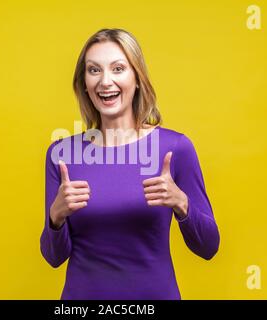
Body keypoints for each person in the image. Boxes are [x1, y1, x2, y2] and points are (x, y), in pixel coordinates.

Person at [40, 28, 220, 300]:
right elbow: (54, 257)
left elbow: (208, 247)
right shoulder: (62, 154)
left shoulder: (175, 148)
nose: (105, 81)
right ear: (85, 84)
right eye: (94, 70)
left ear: (137, 79)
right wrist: (56, 217)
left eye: (118, 68)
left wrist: (182, 204)